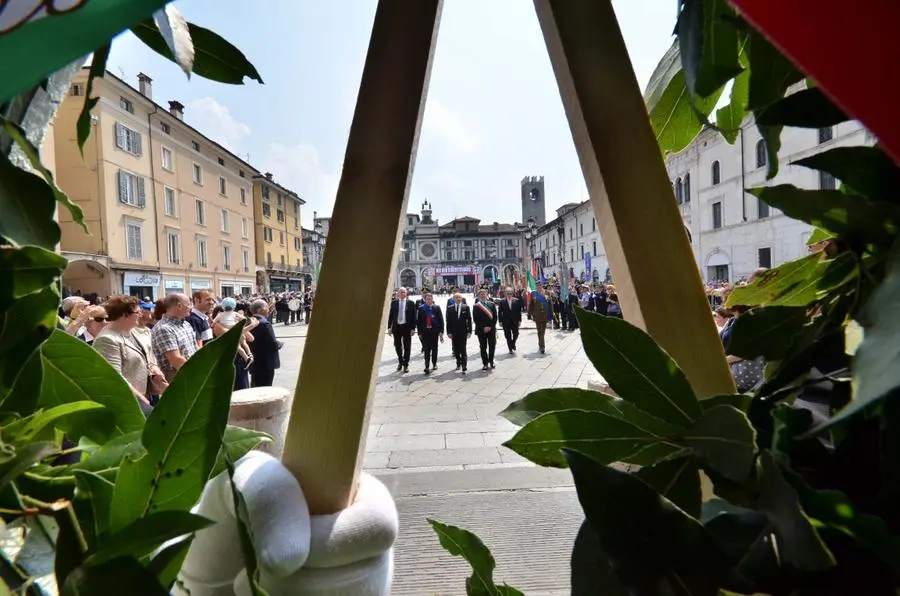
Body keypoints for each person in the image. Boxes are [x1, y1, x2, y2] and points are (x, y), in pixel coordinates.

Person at [92, 295, 162, 415]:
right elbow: (115, 378)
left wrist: (153, 366)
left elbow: (146, 355)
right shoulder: (107, 339)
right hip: (128, 404)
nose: (141, 315)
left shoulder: (132, 331)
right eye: (138, 312)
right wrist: (142, 400)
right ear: (125, 315)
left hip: (143, 397)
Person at [151, 293, 198, 382]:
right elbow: (176, 360)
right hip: (178, 379)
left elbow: (195, 348)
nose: (191, 307)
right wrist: (198, 374)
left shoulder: (186, 324)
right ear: (179, 306)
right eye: (188, 304)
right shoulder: (164, 329)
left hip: (191, 374)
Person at [248, 299, 281, 387]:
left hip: (254, 362)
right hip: (265, 363)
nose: (269, 309)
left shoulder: (249, 321)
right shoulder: (265, 323)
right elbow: (272, 344)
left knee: (255, 386)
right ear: (260, 310)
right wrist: (279, 344)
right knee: (265, 387)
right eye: (267, 307)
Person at [214, 297, 255, 367]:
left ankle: (246, 357)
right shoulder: (235, 314)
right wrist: (247, 324)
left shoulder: (220, 316)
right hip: (237, 331)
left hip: (233, 336)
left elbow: (214, 322)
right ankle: (249, 355)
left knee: (238, 347)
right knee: (244, 343)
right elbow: (251, 338)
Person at [386, 287, 416, 373]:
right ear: (397, 294)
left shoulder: (411, 303)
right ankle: (400, 361)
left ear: (406, 294)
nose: (402, 294)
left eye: (404, 292)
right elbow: (390, 316)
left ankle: (406, 364)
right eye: (401, 292)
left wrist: (413, 328)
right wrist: (389, 327)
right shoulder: (394, 303)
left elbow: (414, 317)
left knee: (407, 346)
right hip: (397, 327)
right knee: (397, 346)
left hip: (407, 327)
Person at [416, 293, 444, 374]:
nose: (429, 300)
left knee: (435, 349)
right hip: (425, 333)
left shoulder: (436, 307)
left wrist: (441, 331)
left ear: (432, 299)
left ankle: (434, 363)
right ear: (425, 300)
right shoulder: (421, 308)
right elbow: (419, 322)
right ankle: (427, 366)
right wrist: (419, 333)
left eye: (430, 299)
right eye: (427, 299)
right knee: (426, 350)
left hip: (434, 332)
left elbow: (441, 320)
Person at [446, 292, 472, 373]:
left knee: (463, 349)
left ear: (461, 299)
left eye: (459, 297)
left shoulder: (466, 307)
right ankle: (458, 363)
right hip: (454, 332)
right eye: (456, 297)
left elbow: (469, 320)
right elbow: (448, 321)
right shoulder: (450, 308)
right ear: (453, 299)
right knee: (456, 350)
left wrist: (469, 331)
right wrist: (448, 332)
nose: (458, 299)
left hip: (463, 332)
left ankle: (464, 365)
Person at [473, 288, 498, 370]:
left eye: (484, 294)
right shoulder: (476, 306)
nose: (483, 295)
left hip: (491, 329)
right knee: (483, 347)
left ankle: (491, 361)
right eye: (481, 294)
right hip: (481, 330)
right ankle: (485, 363)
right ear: (479, 296)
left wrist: (490, 326)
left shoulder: (492, 304)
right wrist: (483, 327)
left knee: (492, 346)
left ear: (487, 294)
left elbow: (495, 317)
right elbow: (475, 319)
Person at [498, 286, 522, 354]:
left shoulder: (516, 300)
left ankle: (513, 343)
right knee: (507, 335)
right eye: (508, 293)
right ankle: (510, 348)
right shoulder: (502, 301)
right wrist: (500, 321)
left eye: (510, 293)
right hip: (506, 321)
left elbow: (518, 312)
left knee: (516, 334)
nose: (509, 295)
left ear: (512, 293)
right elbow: (499, 312)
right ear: (505, 293)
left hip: (515, 321)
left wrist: (519, 320)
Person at [528, 283, 550, 354]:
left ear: (542, 286)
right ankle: (542, 347)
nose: (539, 286)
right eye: (538, 285)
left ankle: (540, 343)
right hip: (537, 316)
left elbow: (550, 303)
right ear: (536, 286)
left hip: (545, 315)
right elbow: (530, 304)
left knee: (542, 332)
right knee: (540, 331)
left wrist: (551, 314)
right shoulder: (533, 294)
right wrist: (529, 314)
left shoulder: (546, 292)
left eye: (540, 285)